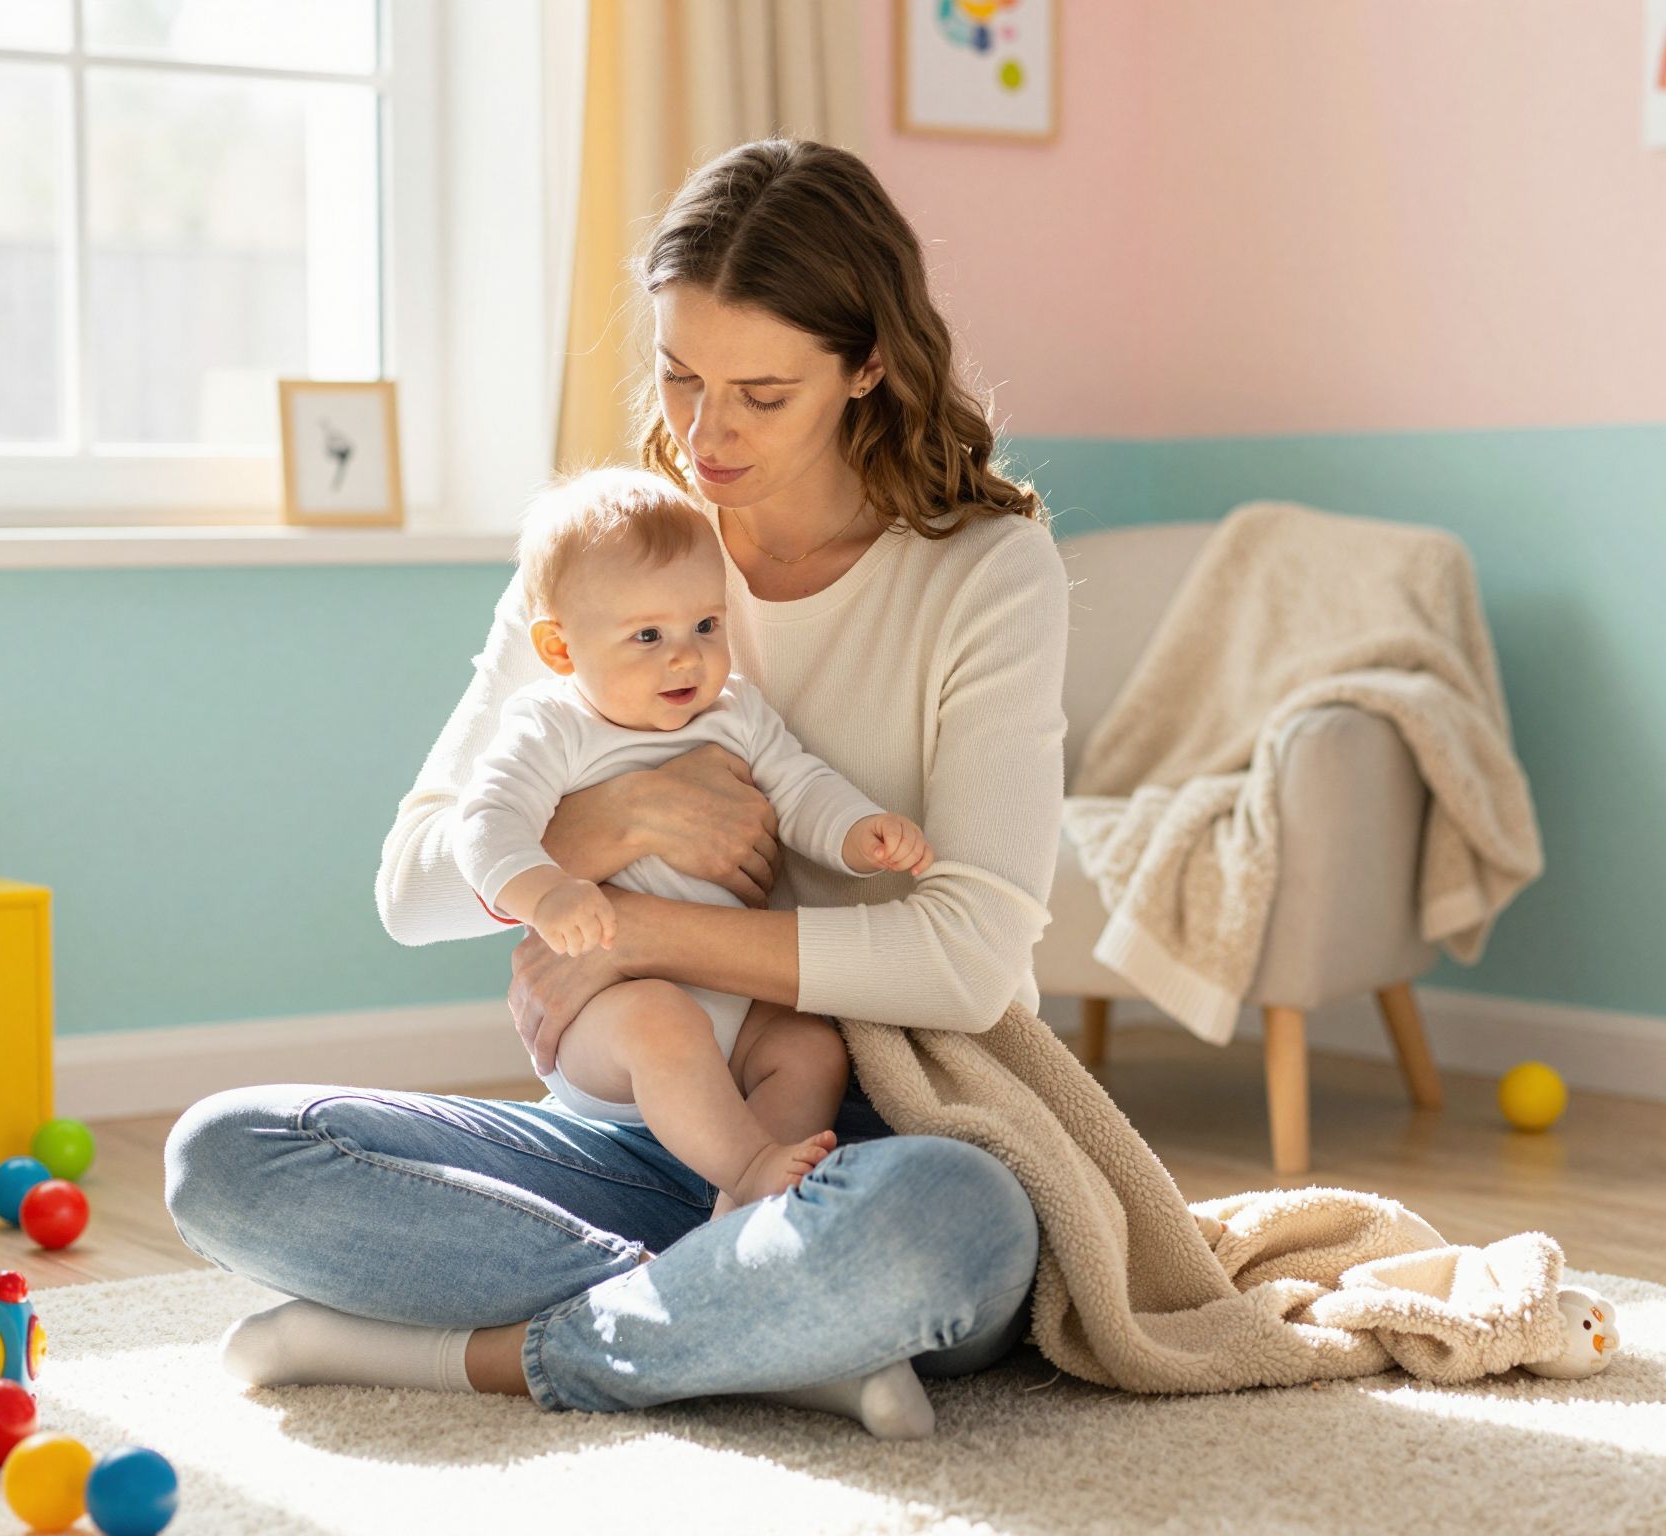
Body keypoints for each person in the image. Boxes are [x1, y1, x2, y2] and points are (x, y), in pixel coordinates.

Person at [162, 137, 1070, 1442]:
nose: (706, 433)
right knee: (232, 1157)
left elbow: (971, 960)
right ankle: (746, 1328)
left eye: (760, 391)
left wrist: (633, 931)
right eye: (680, 375)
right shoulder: (613, 555)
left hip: (874, 1135)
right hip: (636, 1133)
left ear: (869, 363)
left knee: (943, 1226)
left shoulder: (988, 570)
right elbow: (416, 887)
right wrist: (610, 826)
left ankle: (485, 1353)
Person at [452, 464, 936, 1221]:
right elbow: (483, 824)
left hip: (735, 1010)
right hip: (607, 1020)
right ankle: (749, 1169)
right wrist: (545, 892)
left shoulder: (736, 709)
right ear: (558, 649)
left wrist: (853, 833)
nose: (685, 657)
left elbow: (800, 784)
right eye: (647, 636)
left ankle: (735, 1223)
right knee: (662, 1020)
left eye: (705, 627)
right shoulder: (551, 726)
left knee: (812, 1049)